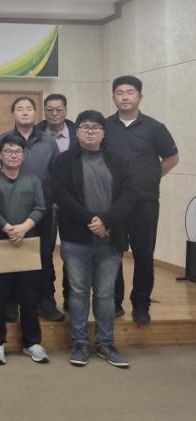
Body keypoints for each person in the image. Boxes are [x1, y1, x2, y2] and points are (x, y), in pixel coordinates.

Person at [53, 110, 136, 367]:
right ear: (76, 132)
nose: (90, 131)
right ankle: (79, 343)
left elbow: (129, 195)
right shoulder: (64, 161)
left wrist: (107, 221)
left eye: (96, 127)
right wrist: (93, 221)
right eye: (85, 127)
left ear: (103, 132)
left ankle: (105, 343)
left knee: (105, 293)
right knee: (78, 292)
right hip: (76, 237)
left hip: (110, 237)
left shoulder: (119, 160)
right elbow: (62, 196)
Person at [105, 75, 179, 324]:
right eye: (119, 93)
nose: (124, 97)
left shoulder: (155, 127)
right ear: (113, 97)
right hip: (114, 202)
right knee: (113, 253)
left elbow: (171, 158)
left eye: (130, 92)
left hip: (145, 201)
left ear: (140, 96)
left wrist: (150, 177)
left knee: (144, 254)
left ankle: (141, 305)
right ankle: (114, 302)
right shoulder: (105, 126)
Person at [0, 97, 63, 322]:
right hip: (10, 209)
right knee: (12, 255)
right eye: (19, 109)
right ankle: (11, 303)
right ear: (13, 114)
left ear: (35, 113)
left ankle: (45, 301)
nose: (24, 112)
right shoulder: (2, 140)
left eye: (29, 109)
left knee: (43, 256)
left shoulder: (48, 141)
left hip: (42, 210)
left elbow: (56, 174)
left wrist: (54, 202)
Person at [0, 134, 48, 365]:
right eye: (8, 151)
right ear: (0, 155)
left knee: (29, 297)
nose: (13, 155)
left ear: (23, 155)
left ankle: (31, 343)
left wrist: (24, 228)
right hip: (1, 245)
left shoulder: (33, 180)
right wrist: (9, 228)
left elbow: (40, 207)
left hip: (26, 245)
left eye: (18, 151)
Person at [36, 93, 77, 311]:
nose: (54, 113)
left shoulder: (78, 132)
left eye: (58, 109)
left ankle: (71, 296)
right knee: (44, 252)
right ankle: (46, 298)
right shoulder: (36, 134)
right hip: (45, 204)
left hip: (74, 204)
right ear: (44, 111)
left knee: (72, 251)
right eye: (50, 109)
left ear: (66, 110)